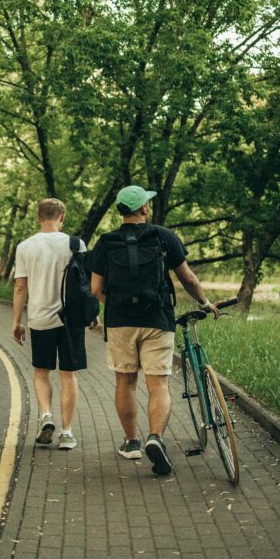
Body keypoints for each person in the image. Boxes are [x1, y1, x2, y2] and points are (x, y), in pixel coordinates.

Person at [90, 186, 219, 476]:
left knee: (125, 382)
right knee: (158, 384)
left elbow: (96, 289)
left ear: (121, 211)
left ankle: (132, 442)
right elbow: (187, 278)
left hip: (120, 321)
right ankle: (155, 437)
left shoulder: (106, 242)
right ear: (144, 209)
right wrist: (205, 302)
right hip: (157, 319)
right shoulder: (164, 236)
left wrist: (117, 305)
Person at [12, 198, 95, 451]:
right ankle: (67, 433)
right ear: (63, 217)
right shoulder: (75, 244)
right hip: (70, 319)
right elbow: (86, 282)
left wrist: (17, 321)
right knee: (69, 375)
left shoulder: (25, 246)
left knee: (41, 371)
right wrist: (93, 312)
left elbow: (20, 287)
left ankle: (46, 415)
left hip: (39, 319)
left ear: (38, 217)